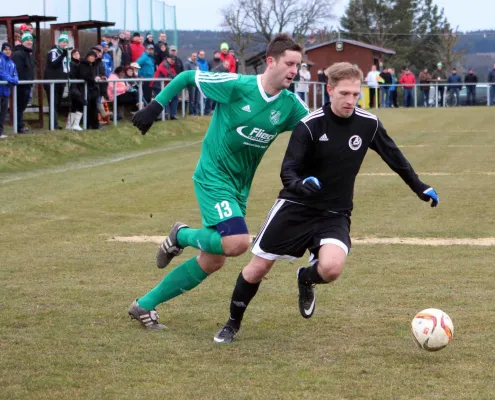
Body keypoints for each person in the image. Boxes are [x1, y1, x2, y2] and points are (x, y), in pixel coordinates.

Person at [212, 62, 439, 343]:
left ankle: (305, 278)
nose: (350, 100)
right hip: (296, 207)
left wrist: (420, 187)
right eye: (344, 93)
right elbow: (288, 171)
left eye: (355, 94)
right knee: (257, 268)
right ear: (329, 90)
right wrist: (301, 185)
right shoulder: (309, 125)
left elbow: (395, 158)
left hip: (334, 212)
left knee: (331, 269)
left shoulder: (368, 124)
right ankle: (232, 323)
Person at [128, 33, 310, 329]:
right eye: (289, 63)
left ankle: (144, 305)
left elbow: (315, 129)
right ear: (270, 61)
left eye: (297, 65)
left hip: (239, 187)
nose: (294, 70)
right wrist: (156, 106)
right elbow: (187, 76)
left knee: (213, 260)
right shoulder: (237, 86)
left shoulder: (290, 105)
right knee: (236, 242)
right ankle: (181, 235)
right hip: (213, 176)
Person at [43, 33, 70, 129]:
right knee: (53, 103)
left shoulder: (65, 53)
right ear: (59, 42)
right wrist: (63, 55)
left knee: (58, 103)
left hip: (61, 81)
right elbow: (53, 63)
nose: (65, 44)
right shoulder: (53, 52)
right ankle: (52, 125)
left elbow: (66, 68)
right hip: (52, 81)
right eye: (63, 42)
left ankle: (55, 123)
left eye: (66, 42)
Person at [12, 32, 35, 133]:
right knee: (19, 106)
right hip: (21, 85)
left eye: (31, 40)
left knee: (22, 106)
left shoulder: (29, 53)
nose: (30, 42)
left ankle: (20, 125)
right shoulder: (18, 53)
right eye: (27, 40)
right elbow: (18, 70)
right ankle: (18, 126)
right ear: (23, 41)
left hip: (28, 84)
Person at [79, 50, 102, 130]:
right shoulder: (83, 64)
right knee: (87, 108)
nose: (92, 58)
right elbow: (84, 75)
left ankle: (95, 125)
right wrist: (94, 79)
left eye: (94, 57)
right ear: (87, 57)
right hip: (86, 88)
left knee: (94, 108)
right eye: (91, 57)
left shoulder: (94, 65)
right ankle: (87, 125)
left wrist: (100, 77)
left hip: (93, 88)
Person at [152, 54, 178, 120]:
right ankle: (163, 115)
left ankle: (172, 115)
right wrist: (178, 77)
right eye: (172, 59)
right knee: (162, 100)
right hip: (158, 85)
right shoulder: (164, 64)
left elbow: (173, 75)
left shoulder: (170, 66)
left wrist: (176, 77)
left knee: (175, 97)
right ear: (167, 59)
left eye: (174, 60)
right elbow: (168, 75)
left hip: (164, 85)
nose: (173, 61)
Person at [0, 43, 18, 139]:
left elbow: (15, 74)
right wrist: (10, 79)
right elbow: (1, 72)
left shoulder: (12, 63)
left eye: (9, 50)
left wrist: (15, 80)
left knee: (3, 113)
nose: (8, 51)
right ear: (2, 50)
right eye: (6, 49)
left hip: (6, 91)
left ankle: (0, 133)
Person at [65, 49, 85, 131]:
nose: (77, 55)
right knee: (80, 103)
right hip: (74, 87)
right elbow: (73, 74)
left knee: (76, 105)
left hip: (79, 86)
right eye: (75, 54)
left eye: (78, 53)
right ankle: (73, 124)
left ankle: (71, 124)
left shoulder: (80, 63)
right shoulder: (72, 64)